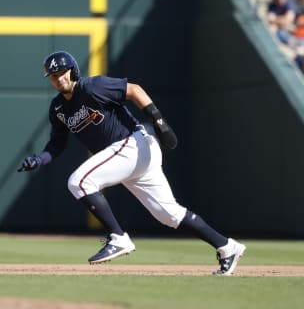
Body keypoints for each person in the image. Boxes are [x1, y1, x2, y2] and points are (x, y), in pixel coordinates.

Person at [18, 51, 246, 275]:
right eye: (53, 75)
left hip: (132, 145)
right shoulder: (57, 108)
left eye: (62, 72)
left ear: (72, 71)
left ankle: (118, 237)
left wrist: (159, 122)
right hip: (128, 157)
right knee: (169, 215)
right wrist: (39, 159)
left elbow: (134, 90)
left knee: (79, 182)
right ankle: (227, 247)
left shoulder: (91, 86)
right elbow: (57, 143)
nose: (58, 78)